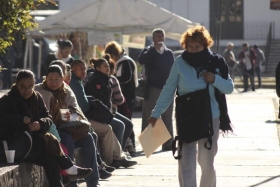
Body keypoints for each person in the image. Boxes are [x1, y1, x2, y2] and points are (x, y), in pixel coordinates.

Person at [148, 26, 234, 187]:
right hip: (186, 116)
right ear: (185, 45)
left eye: (197, 46)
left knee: (206, 162)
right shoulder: (180, 62)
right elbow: (168, 89)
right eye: (190, 46)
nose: (193, 50)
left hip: (210, 116)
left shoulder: (216, 62)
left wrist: (214, 78)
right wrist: (156, 112)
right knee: (186, 161)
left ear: (205, 45)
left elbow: (229, 88)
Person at [0, 70, 92, 187]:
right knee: (48, 140)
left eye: (30, 87)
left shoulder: (36, 97)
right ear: (16, 84)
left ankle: (62, 179)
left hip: (33, 145)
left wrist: (40, 123)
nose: (27, 90)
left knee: (51, 159)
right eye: (23, 87)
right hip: (15, 145)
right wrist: (20, 119)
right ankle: (70, 168)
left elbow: (48, 118)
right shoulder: (8, 100)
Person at [35, 65, 100, 187]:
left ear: (62, 78)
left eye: (57, 79)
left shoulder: (67, 90)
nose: (53, 82)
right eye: (50, 79)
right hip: (48, 130)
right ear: (46, 78)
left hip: (68, 127)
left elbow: (77, 112)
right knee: (67, 139)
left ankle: (93, 182)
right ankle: (71, 182)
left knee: (89, 138)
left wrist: (72, 116)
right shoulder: (38, 91)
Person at [69, 59, 137, 168]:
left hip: (100, 113)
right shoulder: (88, 81)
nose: (83, 71)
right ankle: (111, 160)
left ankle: (118, 157)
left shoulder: (104, 79)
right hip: (88, 116)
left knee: (122, 124)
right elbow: (85, 106)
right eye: (80, 69)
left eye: (84, 69)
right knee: (114, 127)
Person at [84, 57, 134, 153]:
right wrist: (107, 115)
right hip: (100, 114)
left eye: (108, 66)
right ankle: (116, 155)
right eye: (104, 66)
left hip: (108, 111)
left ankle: (120, 151)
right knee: (120, 126)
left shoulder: (106, 79)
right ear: (98, 68)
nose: (108, 68)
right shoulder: (96, 80)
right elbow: (97, 102)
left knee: (128, 124)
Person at [138, 28, 175, 151]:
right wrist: (153, 50)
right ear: (153, 39)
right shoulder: (148, 51)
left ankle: (168, 143)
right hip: (152, 88)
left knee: (167, 116)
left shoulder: (169, 53)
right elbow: (141, 60)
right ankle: (149, 143)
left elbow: (174, 70)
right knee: (150, 116)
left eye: (161, 37)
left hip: (167, 89)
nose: (160, 39)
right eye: (157, 37)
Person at [104, 41, 138, 115]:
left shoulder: (126, 61)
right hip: (117, 95)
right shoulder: (118, 62)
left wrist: (114, 80)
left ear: (115, 54)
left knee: (126, 115)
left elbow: (127, 77)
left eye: (112, 57)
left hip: (127, 95)